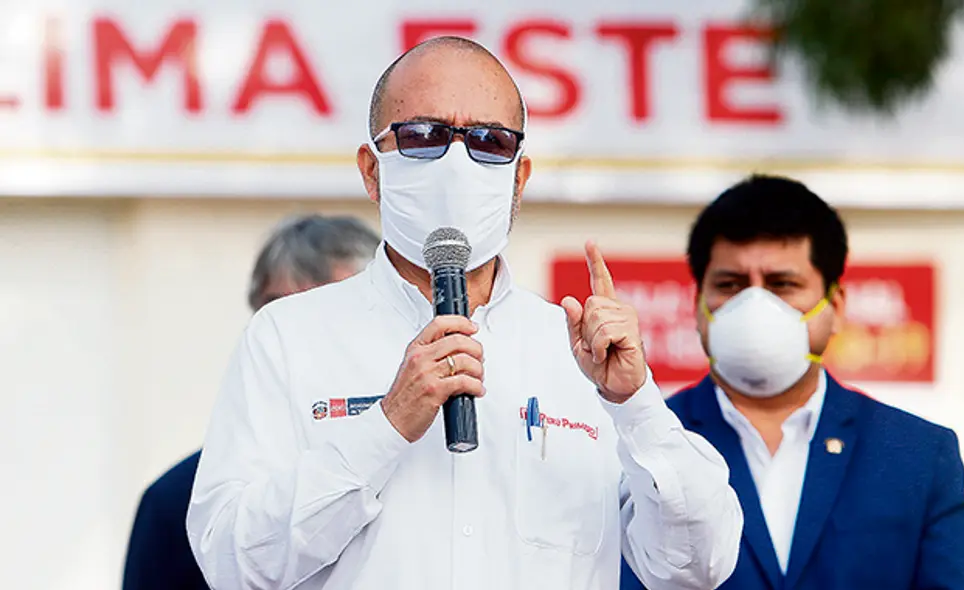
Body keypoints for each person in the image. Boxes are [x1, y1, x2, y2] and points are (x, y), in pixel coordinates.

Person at [186, 36, 743, 590]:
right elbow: (232, 564)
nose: (456, 162)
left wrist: (636, 403)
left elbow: (697, 567)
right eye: (423, 136)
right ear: (372, 170)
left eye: (489, 141)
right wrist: (384, 427)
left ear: (519, 177)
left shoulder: (575, 353)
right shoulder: (288, 337)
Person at [621, 174, 964, 590]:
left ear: (836, 305)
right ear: (698, 305)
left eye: (782, 285)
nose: (755, 305)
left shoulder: (917, 455)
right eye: (730, 285)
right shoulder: (645, 445)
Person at [122, 214, 380, 590]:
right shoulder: (175, 502)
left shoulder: (443, 470)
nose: (300, 338)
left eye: (331, 310)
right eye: (278, 315)